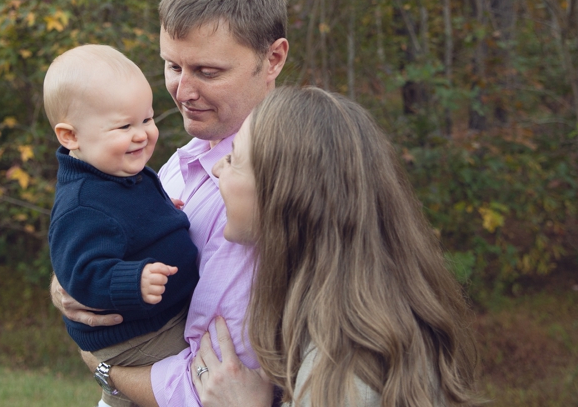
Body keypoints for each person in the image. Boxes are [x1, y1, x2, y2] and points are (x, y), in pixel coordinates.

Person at [49, 0, 290, 407]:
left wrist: (101, 365)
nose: (182, 91)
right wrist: (71, 282)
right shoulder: (179, 161)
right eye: (173, 66)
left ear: (273, 58)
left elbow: (209, 389)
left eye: (208, 71)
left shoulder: (266, 193)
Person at [191, 86, 480, 407]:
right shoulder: (358, 315)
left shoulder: (342, 371)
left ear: (286, 195)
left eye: (233, 160)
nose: (217, 169)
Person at [44, 44, 200, 407]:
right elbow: (81, 272)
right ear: (71, 137)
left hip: (157, 320)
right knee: (198, 371)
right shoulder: (83, 202)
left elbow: (133, 216)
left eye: (147, 120)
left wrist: (162, 211)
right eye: (124, 126)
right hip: (137, 338)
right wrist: (132, 280)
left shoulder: (119, 173)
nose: (142, 134)